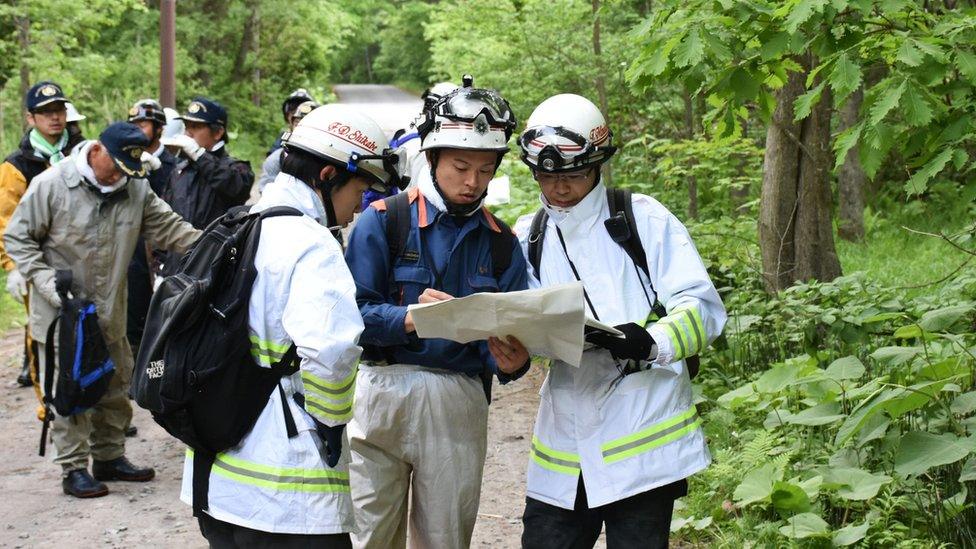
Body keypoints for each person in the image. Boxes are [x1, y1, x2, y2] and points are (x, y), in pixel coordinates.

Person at [512, 94, 727, 548]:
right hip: (564, 447)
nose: (559, 188)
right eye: (546, 176)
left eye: (571, 175)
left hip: (643, 446)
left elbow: (703, 309)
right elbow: (527, 324)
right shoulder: (528, 235)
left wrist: (651, 341)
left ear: (598, 165)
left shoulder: (641, 218)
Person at [183, 104, 401, 547]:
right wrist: (330, 428)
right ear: (327, 176)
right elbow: (333, 355)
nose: (360, 206)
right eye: (359, 190)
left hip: (216, 483)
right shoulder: (313, 244)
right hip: (287, 493)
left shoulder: (239, 225)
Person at [343, 85, 530, 549]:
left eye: (485, 171)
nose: (473, 181)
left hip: (457, 400)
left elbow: (512, 334)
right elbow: (350, 318)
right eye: (461, 167)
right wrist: (409, 317)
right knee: (367, 537)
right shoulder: (383, 220)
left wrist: (512, 363)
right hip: (379, 393)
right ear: (431, 158)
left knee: (446, 539)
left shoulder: (503, 243)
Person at [4, 122, 200, 498]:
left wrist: (216, 243)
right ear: (97, 151)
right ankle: (74, 468)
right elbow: (17, 237)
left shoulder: (134, 187)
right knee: (71, 388)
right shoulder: (52, 185)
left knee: (115, 383)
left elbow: (170, 229)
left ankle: (109, 456)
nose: (122, 177)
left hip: (111, 310)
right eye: (118, 167)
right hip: (63, 314)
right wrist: (45, 282)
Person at [0, 81, 85, 388]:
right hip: (38, 264)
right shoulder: (16, 165)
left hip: (84, 257)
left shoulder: (82, 153)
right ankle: (49, 405)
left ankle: (93, 407)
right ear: (30, 117)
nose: (55, 117)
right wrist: (14, 267)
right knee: (44, 336)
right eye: (46, 112)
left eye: (59, 110)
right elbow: (5, 222)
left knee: (91, 331)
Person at [160, 97, 253, 273]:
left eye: (195, 127)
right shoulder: (180, 170)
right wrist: (161, 266)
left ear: (217, 133)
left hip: (213, 269)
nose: (188, 133)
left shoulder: (236, 168)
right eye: (187, 126)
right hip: (176, 269)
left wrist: (199, 155)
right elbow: (164, 217)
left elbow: (235, 188)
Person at [125, 99, 179, 362]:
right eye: (133, 123)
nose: (137, 129)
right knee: (133, 305)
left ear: (159, 128)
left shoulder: (174, 164)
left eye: (143, 123)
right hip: (134, 245)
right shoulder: (126, 162)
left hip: (166, 244)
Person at [256, 99, 319, 192]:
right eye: (298, 123)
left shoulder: (334, 161)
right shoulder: (276, 159)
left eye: (310, 125)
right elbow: (267, 195)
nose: (302, 130)